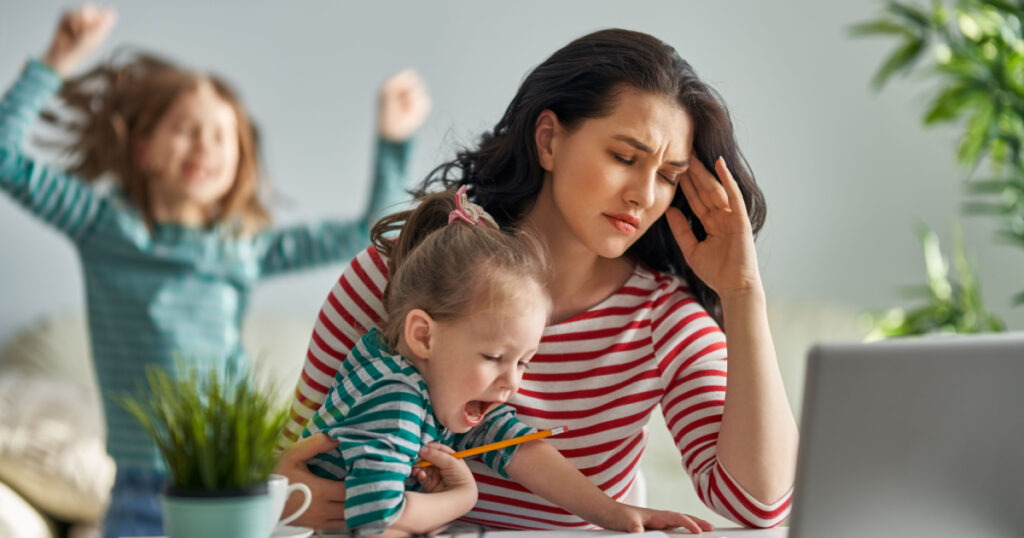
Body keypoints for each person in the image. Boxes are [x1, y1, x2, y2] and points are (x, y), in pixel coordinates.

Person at [276, 28, 798, 530]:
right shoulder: (403, 271)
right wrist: (290, 500)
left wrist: (742, 292)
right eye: (624, 157)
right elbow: (286, 459)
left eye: (667, 176)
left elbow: (758, 506)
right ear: (548, 140)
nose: (644, 195)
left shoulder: (663, 320)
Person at [0, 5, 429, 537]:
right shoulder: (101, 227)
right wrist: (56, 60)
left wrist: (393, 140)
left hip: (235, 481)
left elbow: (373, 230)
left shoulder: (241, 248)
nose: (204, 144)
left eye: (221, 136)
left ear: (238, 165)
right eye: (185, 129)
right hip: (140, 491)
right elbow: (5, 156)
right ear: (144, 150)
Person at [300, 187, 713, 535]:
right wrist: (463, 497)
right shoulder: (396, 400)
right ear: (423, 335)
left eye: (523, 363)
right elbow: (377, 518)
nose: (512, 384)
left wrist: (614, 512)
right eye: (495, 357)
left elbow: (516, 445)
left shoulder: (432, 383)